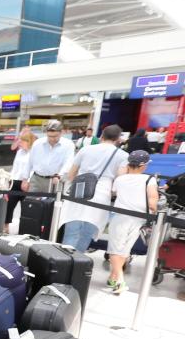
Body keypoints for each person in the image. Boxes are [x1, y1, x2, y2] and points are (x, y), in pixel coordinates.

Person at [59, 124, 128, 252]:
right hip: (102, 193)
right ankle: (78, 262)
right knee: (87, 233)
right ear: (118, 139)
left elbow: (71, 174)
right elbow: (120, 180)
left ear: (102, 135)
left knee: (72, 229)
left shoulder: (86, 150)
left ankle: (63, 261)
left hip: (79, 188)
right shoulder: (122, 155)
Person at [106, 150, 159, 295]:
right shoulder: (150, 180)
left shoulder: (120, 179)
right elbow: (153, 202)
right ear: (143, 166)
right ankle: (117, 279)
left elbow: (114, 192)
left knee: (115, 248)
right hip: (139, 219)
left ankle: (117, 279)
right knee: (124, 250)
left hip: (120, 217)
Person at [26, 120, 75, 193]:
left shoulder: (68, 145)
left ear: (61, 133)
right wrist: (25, 179)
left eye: (55, 136)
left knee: (52, 203)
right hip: (36, 179)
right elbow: (29, 162)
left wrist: (59, 175)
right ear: (46, 133)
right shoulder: (38, 143)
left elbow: (68, 162)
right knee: (31, 202)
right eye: (49, 136)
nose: (52, 139)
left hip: (55, 180)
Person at [5, 131, 36, 233]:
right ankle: (5, 228)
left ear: (29, 141)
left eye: (22, 141)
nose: (20, 143)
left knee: (25, 208)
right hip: (15, 181)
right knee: (9, 206)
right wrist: (9, 179)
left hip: (27, 183)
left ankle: (23, 230)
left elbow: (33, 169)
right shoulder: (19, 152)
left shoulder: (34, 153)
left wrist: (28, 181)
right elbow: (15, 167)